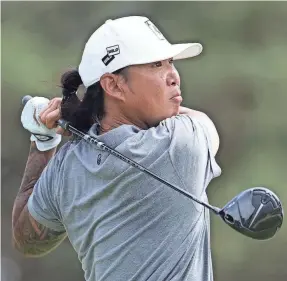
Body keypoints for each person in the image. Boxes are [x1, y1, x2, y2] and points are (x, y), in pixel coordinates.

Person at [12, 16, 221, 281]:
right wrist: (79, 117)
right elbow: (200, 120)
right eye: (156, 64)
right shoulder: (180, 144)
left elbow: (27, 240)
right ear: (113, 85)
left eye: (171, 62)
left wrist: (43, 139)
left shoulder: (66, 164)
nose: (174, 77)